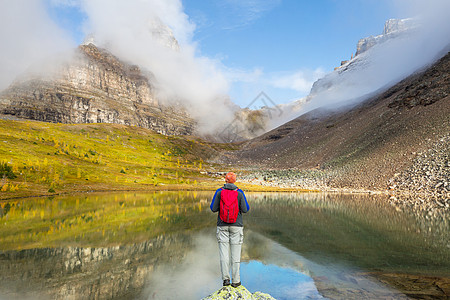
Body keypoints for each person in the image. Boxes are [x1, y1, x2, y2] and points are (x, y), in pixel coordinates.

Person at [210, 172, 250, 288]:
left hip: (222, 226)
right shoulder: (240, 192)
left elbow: (213, 208)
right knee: (236, 254)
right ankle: (236, 281)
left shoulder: (219, 192)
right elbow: (246, 209)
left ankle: (226, 280)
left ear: (225, 180)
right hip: (236, 226)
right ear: (235, 181)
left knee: (224, 254)